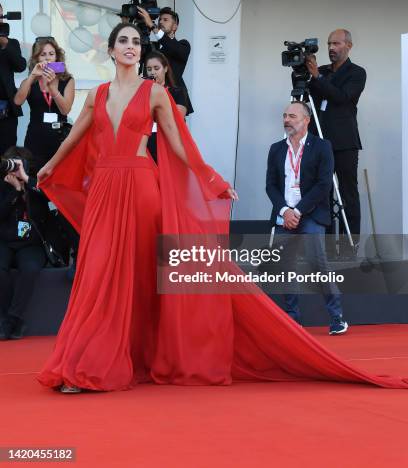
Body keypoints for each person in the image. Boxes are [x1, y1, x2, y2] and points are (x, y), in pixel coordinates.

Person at [37, 23, 407, 393]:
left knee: (142, 273)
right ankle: (89, 358)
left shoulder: (155, 93)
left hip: (140, 187)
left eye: (136, 41)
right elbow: (76, 134)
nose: (131, 47)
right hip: (105, 188)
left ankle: (117, 360)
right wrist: (51, 165)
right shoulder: (96, 95)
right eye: (124, 41)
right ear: (112, 50)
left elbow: (179, 143)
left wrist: (210, 178)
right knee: (100, 271)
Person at [266, 101, 348, 335]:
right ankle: (293, 319)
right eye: (284, 116)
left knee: (317, 262)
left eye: (292, 116)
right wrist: (285, 211)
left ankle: (337, 316)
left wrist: (298, 211)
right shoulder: (276, 149)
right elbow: (270, 185)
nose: (286, 120)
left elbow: (324, 184)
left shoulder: (322, 146)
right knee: (285, 267)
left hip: (310, 213)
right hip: (285, 214)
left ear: (306, 120)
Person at [306, 29, 366, 243]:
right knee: (322, 193)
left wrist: (317, 77)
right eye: (329, 44)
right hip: (319, 140)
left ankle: (351, 244)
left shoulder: (357, 73)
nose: (331, 48)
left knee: (348, 193)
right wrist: (302, 71)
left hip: (344, 142)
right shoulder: (321, 71)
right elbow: (307, 96)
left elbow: (342, 97)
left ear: (348, 45)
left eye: (336, 44)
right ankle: (327, 242)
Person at [0, 146, 49, 340]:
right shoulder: (2, 185)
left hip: (31, 244)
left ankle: (11, 319)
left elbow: (49, 199)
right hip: (4, 241)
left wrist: (26, 183)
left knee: (30, 269)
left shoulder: (36, 185)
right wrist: (14, 192)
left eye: (18, 166)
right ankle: (7, 319)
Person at [14, 37, 75, 171]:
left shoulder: (67, 80)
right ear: (37, 58)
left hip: (59, 138)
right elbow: (17, 101)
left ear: (57, 57)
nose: (47, 58)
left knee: (59, 179)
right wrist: (32, 77)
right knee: (34, 180)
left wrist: (52, 88)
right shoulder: (31, 81)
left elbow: (65, 110)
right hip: (35, 137)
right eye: (43, 54)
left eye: (51, 54)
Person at [138, 6, 194, 115]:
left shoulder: (183, 45)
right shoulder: (155, 48)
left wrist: (153, 26)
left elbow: (171, 46)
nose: (161, 22)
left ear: (175, 27)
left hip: (175, 100)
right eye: (160, 20)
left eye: (165, 20)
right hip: (153, 98)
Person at [145, 50, 188, 162]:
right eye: (149, 69)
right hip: (146, 147)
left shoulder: (178, 92)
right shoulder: (144, 94)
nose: (152, 73)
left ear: (165, 69)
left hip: (169, 145)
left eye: (156, 68)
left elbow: (177, 118)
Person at [0, 4, 26, 155]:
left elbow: (20, 66)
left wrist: (6, 45)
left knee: (7, 152)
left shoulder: (12, 43)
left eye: (0, 16)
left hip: (6, 110)